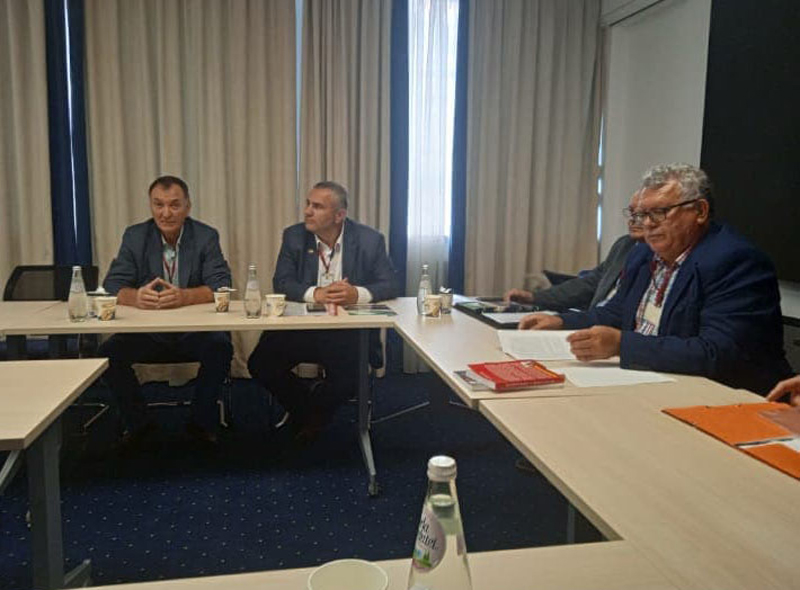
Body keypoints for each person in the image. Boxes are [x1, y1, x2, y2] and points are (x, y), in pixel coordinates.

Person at [519, 163, 792, 394]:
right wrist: (560, 321)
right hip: (650, 379)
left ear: (700, 211)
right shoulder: (642, 253)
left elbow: (717, 353)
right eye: (641, 214)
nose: (647, 223)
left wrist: (622, 345)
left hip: (725, 397)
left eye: (659, 212)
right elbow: (616, 312)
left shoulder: (735, 261)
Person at [247, 181, 397, 440]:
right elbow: (281, 282)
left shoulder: (370, 240)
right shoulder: (294, 236)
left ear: (339, 215)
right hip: (300, 329)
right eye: (308, 204)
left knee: (352, 376)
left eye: (317, 206)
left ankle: (310, 414)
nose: (307, 211)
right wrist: (315, 293)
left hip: (347, 332)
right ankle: (310, 411)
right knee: (260, 363)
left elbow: (390, 284)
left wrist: (356, 294)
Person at [99, 175, 233, 447]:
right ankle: (138, 423)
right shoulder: (135, 236)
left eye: (174, 205)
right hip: (148, 334)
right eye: (158, 205)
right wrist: (136, 297)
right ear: (151, 206)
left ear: (187, 207)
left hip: (193, 333)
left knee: (221, 346)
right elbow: (112, 285)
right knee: (108, 354)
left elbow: (222, 286)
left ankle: (201, 422)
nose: (166, 213)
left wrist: (185, 296)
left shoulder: (206, 236)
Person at [505, 191, 644, 311]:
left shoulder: (653, 259)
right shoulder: (625, 245)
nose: (632, 221)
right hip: (595, 320)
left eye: (642, 214)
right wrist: (534, 297)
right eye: (632, 213)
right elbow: (589, 283)